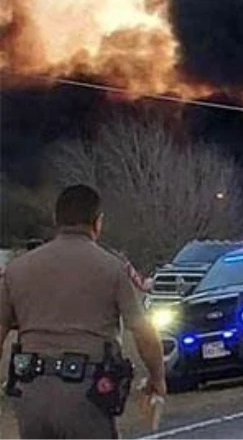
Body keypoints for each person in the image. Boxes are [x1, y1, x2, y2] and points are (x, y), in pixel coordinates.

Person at [0, 184, 167, 439]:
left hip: (31, 394)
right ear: (97, 223)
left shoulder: (16, 270)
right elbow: (143, 333)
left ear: (56, 220)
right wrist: (157, 378)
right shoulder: (112, 269)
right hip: (87, 393)